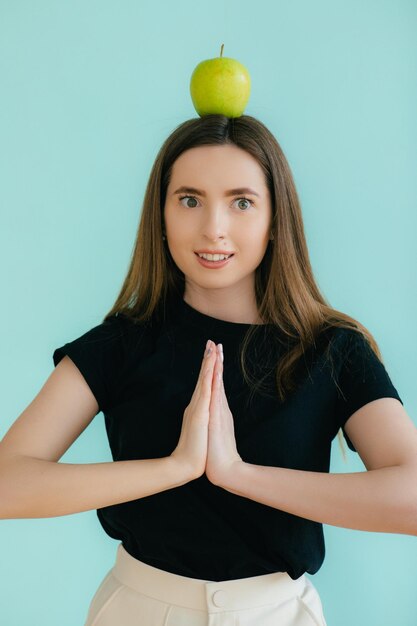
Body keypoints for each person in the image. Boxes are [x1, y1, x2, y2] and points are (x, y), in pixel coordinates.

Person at [1, 114, 416, 626]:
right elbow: (7, 483)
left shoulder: (334, 350)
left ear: (274, 219)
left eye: (241, 202)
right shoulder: (121, 344)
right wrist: (174, 467)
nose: (212, 228)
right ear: (162, 215)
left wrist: (238, 474)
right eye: (189, 200)